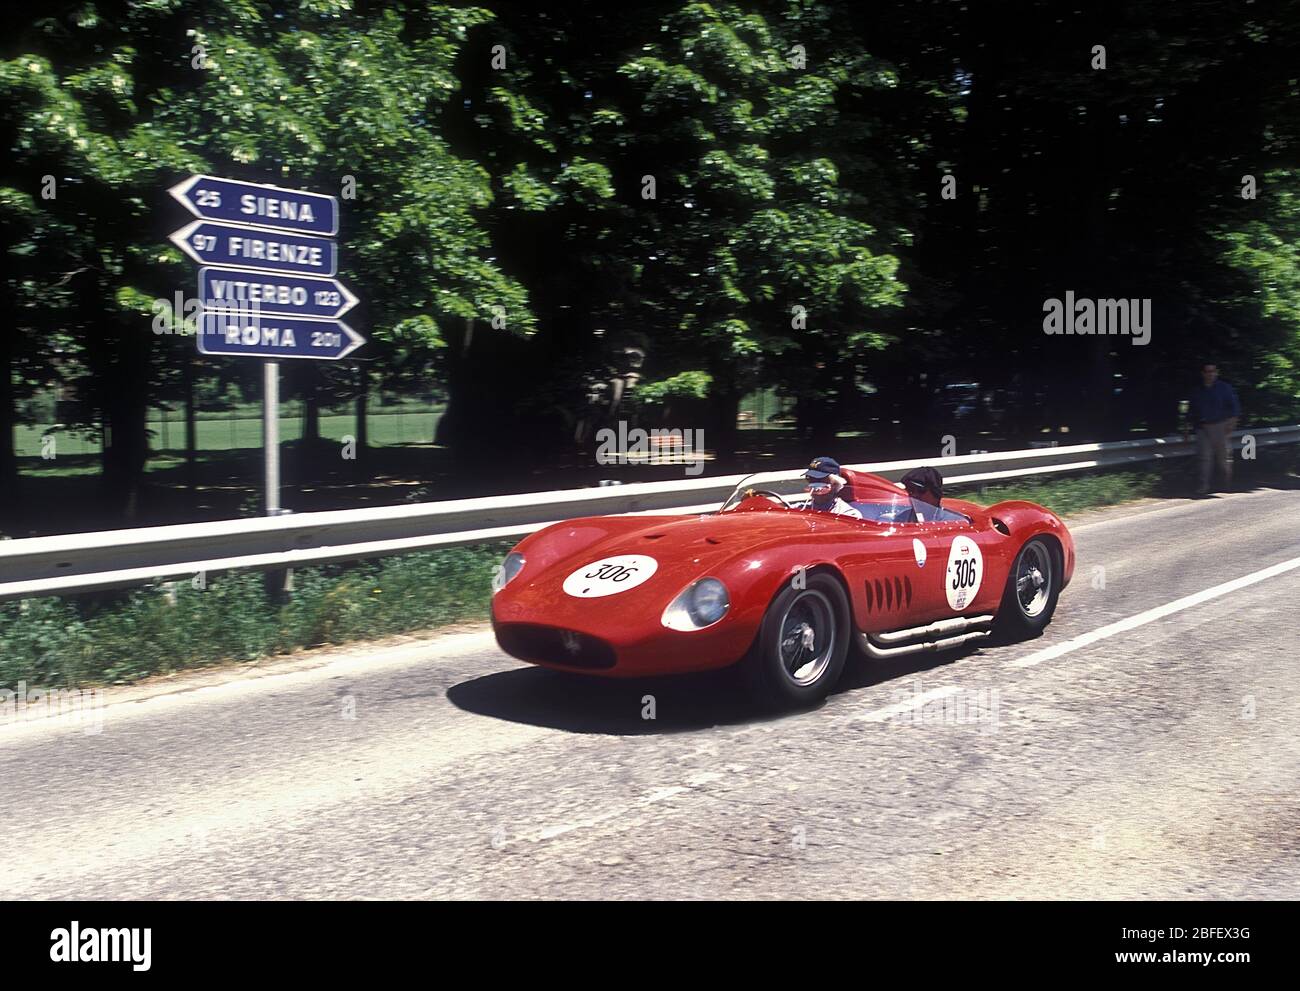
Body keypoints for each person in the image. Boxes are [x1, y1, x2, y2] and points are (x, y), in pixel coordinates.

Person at [1185, 363, 1241, 495]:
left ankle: (1226, 483)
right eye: (1207, 371)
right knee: (1204, 458)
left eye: (1213, 371)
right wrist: (1186, 428)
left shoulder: (1224, 388)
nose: (1210, 374)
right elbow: (1190, 411)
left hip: (1220, 426)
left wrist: (1231, 424)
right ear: (1203, 373)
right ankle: (1203, 486)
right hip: (1202, 427)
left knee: (1223, 458)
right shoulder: (1197, 390)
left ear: (1216, 373)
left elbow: (1235, 408)